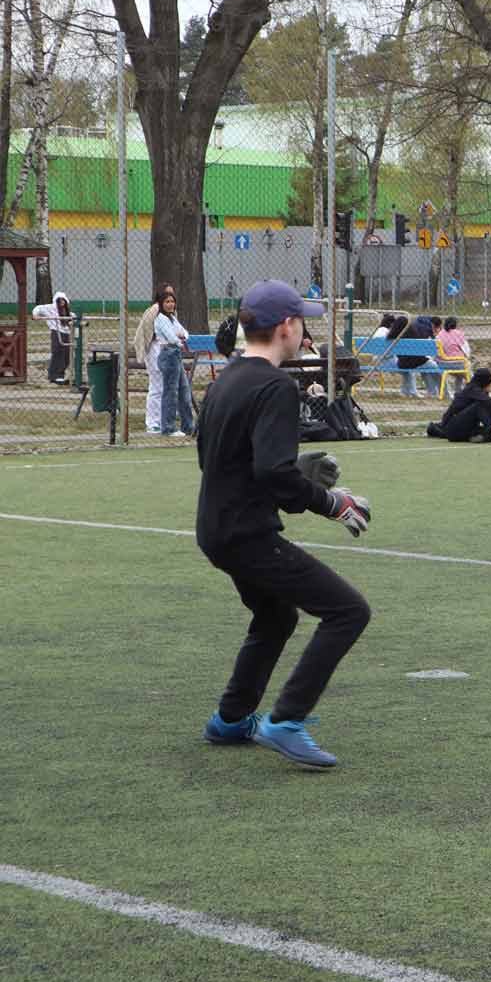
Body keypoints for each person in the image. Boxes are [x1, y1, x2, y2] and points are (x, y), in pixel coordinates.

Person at [193, 279, 373, 768]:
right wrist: (331, 502)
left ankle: (230, 719)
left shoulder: (225, 379)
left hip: (215, 529)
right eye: (301, 322)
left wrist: (295, 471)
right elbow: (272, 474)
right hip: (247, 534)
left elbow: (215, 457)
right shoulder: (276, 386)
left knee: (277, 617)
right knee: (348, 611)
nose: (304, 331)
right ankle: (286, 721)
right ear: (287, 327)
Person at [153, 290, 196, 438]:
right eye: (167, 302)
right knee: (170, 392)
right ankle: (168, 428)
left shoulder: (172, 318)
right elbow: (172, 338)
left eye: (172, 301)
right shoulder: (160, 319)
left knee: (184, 390)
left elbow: (185, 333)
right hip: (168, 355)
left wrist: (181, 336)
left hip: (176, 355)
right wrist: (179, 339)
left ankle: (188, 427)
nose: (170, 304)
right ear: (161, 303)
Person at [427, 367, 491, 442]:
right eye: (489, 383)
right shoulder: (471, 389)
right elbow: (489, 401)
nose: (490, 385)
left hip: (467, 430)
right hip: (453, 429)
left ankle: (483, 437)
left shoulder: (480, 392)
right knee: (479, 405)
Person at [136, 283, 176, 433]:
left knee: (165, 385)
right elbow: (145, 332)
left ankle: (162, 419)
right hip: (154, 348)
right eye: (167, 295)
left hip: (165, 349)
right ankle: (152, 422)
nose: (171, 299)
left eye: (172, 296)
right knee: (156, 385)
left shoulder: (171, 312)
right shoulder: (154, 310)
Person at [31, 291, 73, 384]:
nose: (62, 302)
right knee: (57, 353)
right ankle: (54, 376)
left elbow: (73, 317)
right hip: (56, 331)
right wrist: (35, 315)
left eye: (63, 300)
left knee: (67, 355)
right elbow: (38, 308)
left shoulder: (67, 311)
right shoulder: (50, 308)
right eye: (59, 300)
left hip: (67, 333)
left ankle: (61, 374)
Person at [398, 315, 434, 398]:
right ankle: (434, 391)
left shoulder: (398, 334)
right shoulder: (424, 330)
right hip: (413, 361)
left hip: (401, 361)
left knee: (409, 370)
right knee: (433, 366)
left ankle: (405, 391)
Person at [435, 316, 471, 396]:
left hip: (442, 364)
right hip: (458, 363)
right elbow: (466, 350)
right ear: (455, 325)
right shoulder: (458, 334)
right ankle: (472, 389)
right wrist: (466, 357)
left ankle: (458, 392)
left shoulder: (439, 335)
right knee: (468, 371)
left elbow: (437, 352)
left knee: (460, 374)